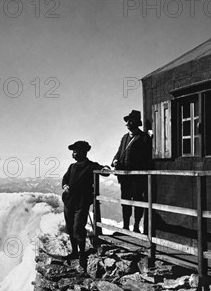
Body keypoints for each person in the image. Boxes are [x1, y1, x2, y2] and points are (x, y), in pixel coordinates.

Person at [62, 140, 110, 270]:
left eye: (76, 151)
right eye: (73, 152)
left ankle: (82, 255)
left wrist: (106, 169)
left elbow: (105, 171)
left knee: (78, 227)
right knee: (70, 227)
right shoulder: (72, 167)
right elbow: (65, 178)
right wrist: (65, 185)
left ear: (84, 152)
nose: (74, 154)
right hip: (69, 201)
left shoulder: (91, 166)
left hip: (82, 202)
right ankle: (74, 252)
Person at [111, 110, 153, 233]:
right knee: (125, 201)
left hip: (138, 178)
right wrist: (114, 161)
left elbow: (147, 158)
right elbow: (119, 153)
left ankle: (136, 227)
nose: (128, 123)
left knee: (138, 201)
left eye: (131, 121)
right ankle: (125, 226)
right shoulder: (124, 137)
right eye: (127, 121)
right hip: (124, 178)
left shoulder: (143, 138)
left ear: (136, 123)